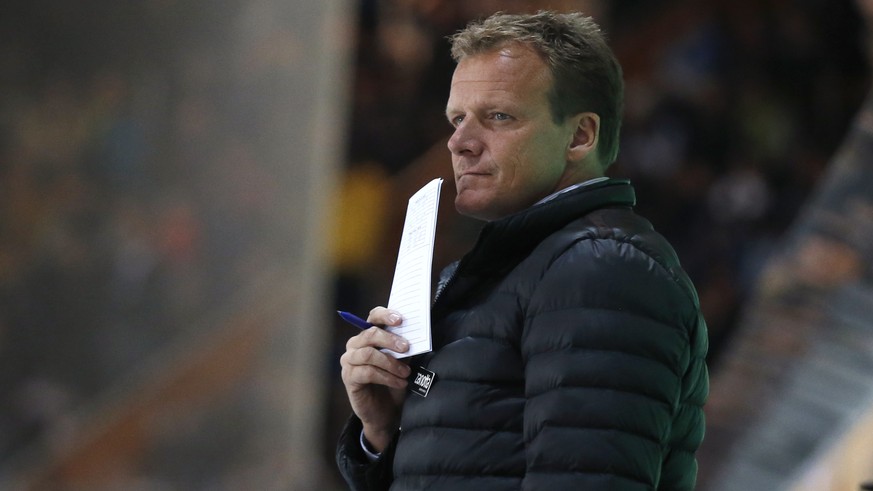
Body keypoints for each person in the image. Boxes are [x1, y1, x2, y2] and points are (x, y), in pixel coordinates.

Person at [337, 10, 709, 491]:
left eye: (498, 116)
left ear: (580, 136)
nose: (459, 142)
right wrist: (383, 432)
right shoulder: (517, 269)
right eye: (457, 119)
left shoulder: (599, 270)